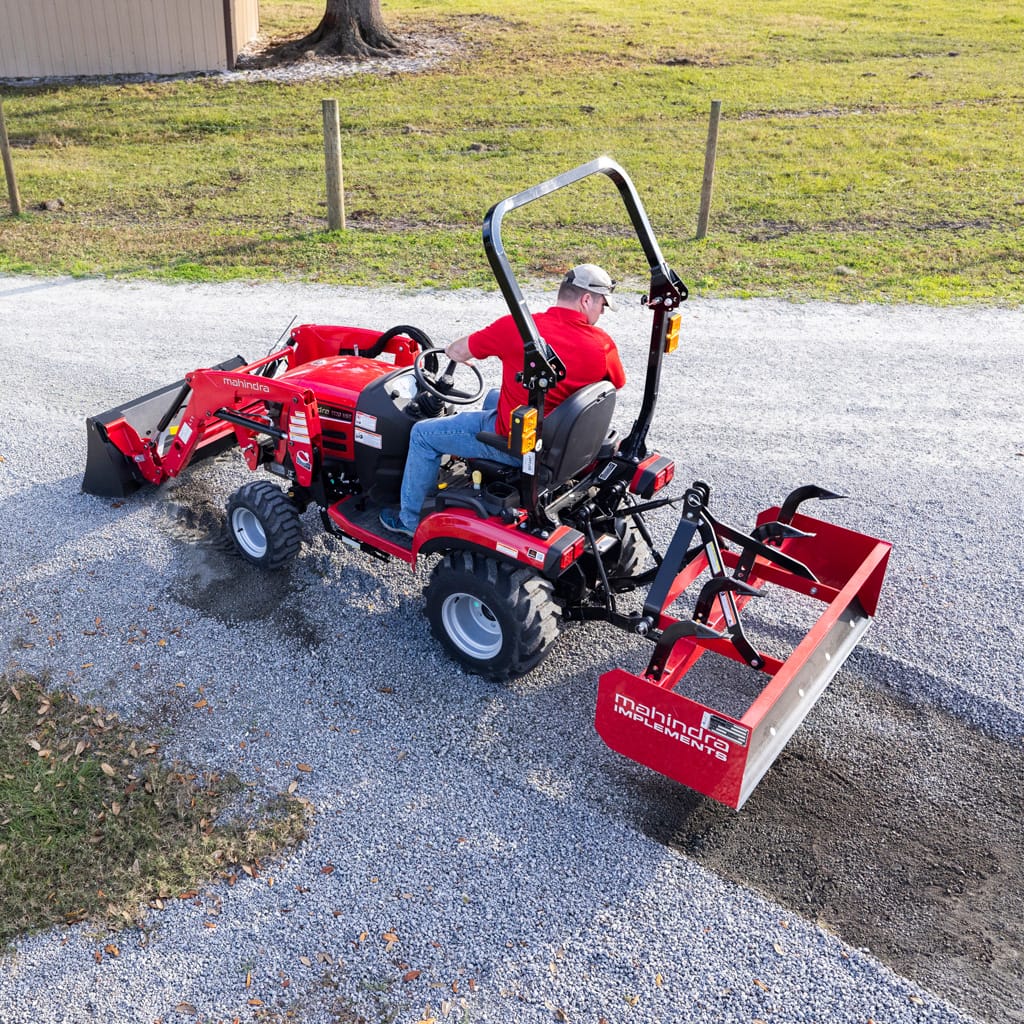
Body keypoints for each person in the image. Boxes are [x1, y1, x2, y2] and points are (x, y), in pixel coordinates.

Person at [379, 263, 626, 538]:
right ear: (586, 299)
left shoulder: (519, 329)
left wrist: (453, 350)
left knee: (422, 434)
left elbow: (458, 350)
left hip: (517, 442)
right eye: (602, 305)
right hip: (560, 439)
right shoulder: (603, 345)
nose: (602, 312)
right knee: (492, 397)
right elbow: (615, 383)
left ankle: (410, 521)